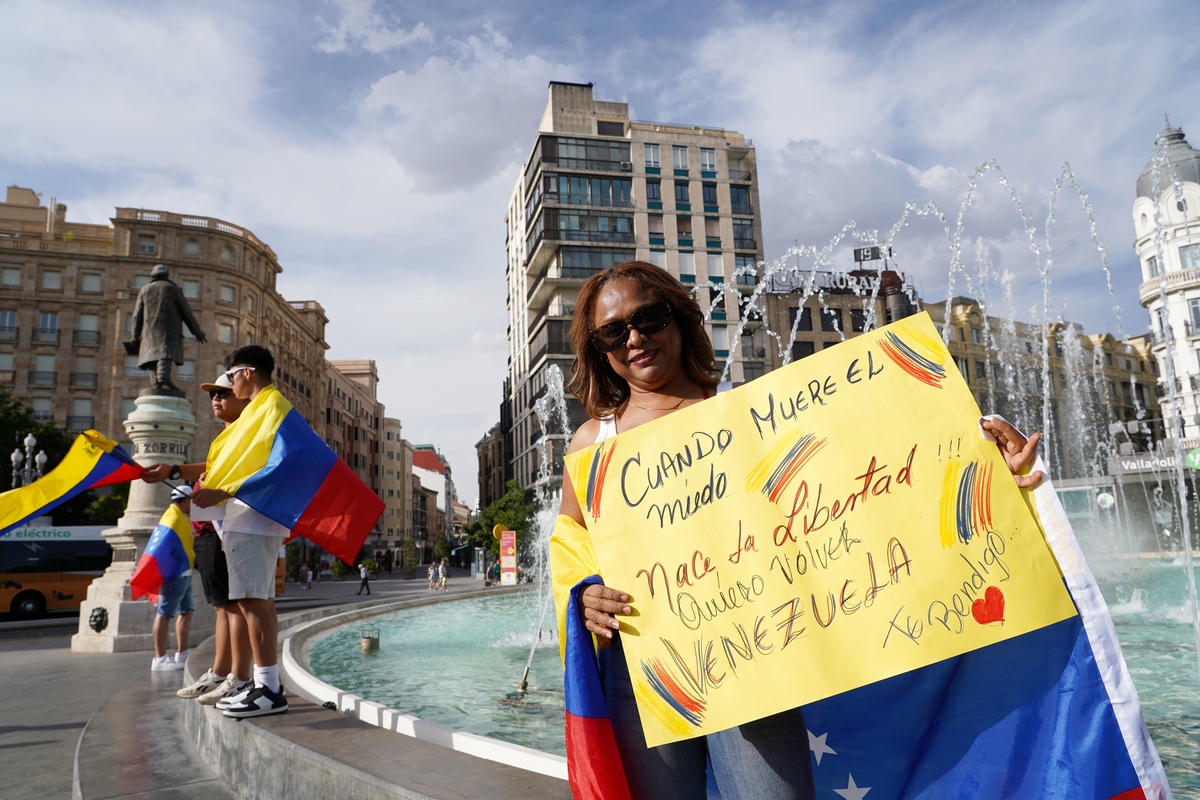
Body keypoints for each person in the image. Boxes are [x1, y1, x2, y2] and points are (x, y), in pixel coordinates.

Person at [553, 261, 1044, 800]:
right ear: (598, 347)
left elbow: (876, 490)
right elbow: (570, 553)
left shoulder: (754, 409)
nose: (635, 338)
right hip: (639, 671)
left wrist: (993, 471)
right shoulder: (591, 444)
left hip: (758, 657)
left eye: (648, 317)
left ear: (678, 317)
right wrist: (584, 596)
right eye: (613, 331)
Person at [145, 346, 291, 718]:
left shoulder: (270, 406)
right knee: (250, 600)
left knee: (251, 600)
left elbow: (282, 463)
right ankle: (263, 684)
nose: (225, 389)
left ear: (247, 372)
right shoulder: (258, 411)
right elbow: (226, 464)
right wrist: (175, 471)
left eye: (229, 380)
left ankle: (267, 688)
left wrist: (226, 490)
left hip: (251, 516)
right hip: (243, 517)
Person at [177, 373, 255, 704]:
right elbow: (209, 467)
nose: (216, 399)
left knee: (235, 605)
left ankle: (239, 676)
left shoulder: (244, 433)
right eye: (213, 395)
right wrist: (173, 471)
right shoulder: (222, 437)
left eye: (224, 393)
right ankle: (221, 672)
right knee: (222, 606)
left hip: (226, 527)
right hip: (208, 528)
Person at [128, 263, 206, 394]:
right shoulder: (174, 289)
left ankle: (156, 383)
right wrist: (197, 331)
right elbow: (186, 312)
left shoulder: (145, 290)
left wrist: (134, 335)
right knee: (165, 353)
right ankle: (163, 378)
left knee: (152, 357)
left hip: (149, 332)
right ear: (167, 275)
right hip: (169, 331)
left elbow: (137, 315)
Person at [150, 484, 195, 671]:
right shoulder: (174, 518)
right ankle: (159, 659)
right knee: (164, 614)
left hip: (184, 572)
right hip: (177, 573)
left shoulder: (176, 516)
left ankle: (182, 652)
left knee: (187, 610)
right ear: (186, 500)